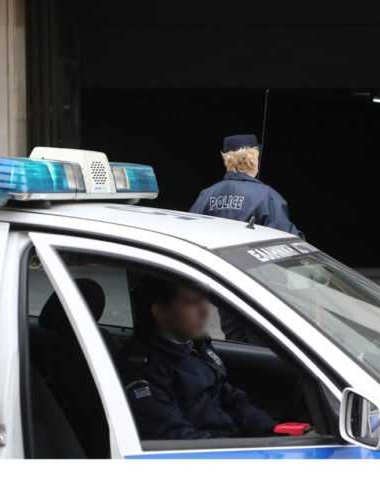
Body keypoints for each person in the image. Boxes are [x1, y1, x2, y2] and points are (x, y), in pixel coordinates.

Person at [123, 276, 277, 440]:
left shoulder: (197, 346)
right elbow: (173, 436)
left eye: (204, 301)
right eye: (191, 303)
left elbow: (231, 397)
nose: (204, 311)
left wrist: (271, 430)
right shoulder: (146, 370)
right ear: (160, 311)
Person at [190, 134, 303, 238]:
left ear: (226, 159)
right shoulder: (267, 197)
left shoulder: (206, 195)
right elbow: (290, 241)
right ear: (253, 160)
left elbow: (188, 232)